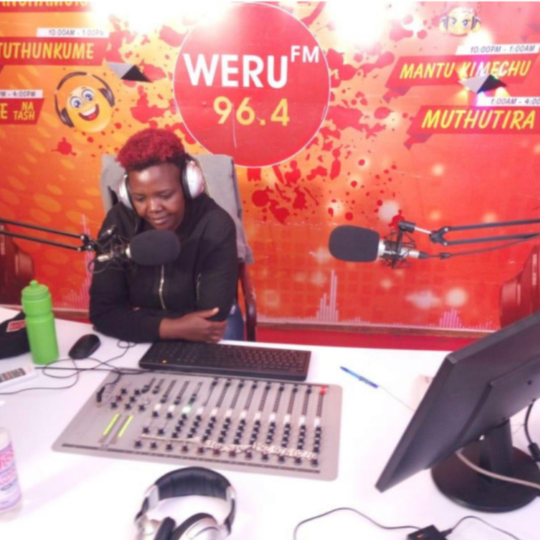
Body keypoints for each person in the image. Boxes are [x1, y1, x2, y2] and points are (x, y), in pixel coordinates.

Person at [89, 128, 240, 343]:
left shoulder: (216, 226)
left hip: (161, 328)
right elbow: (102, 313)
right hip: (148, 331)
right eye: (140, 198)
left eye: (165, 195)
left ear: (188, 185)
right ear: (127, 194)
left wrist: (134, 318)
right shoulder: (118, 223)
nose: (153, 208)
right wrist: (172, 327)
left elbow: (209, 321)